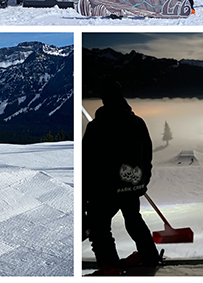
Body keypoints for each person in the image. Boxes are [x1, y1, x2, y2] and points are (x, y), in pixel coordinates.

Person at [83, 78, 160, 276]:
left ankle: (109, 266)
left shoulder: (96, 127)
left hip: (105, 189)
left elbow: (87, 162)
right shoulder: (137, 122)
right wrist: (142, 181)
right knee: (134, 219)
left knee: (99, 226)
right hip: (131, 183)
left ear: (103, 99)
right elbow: (147, 155)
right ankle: (148, 255)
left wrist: (85, 195)